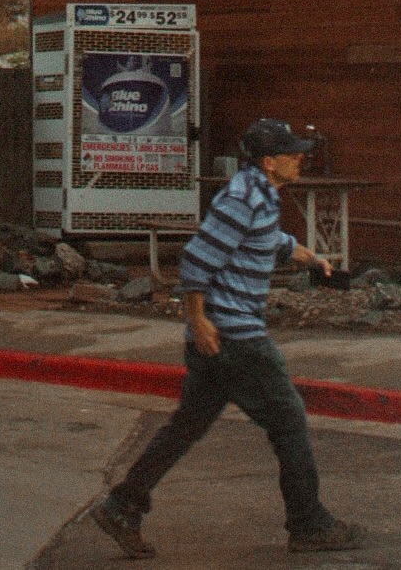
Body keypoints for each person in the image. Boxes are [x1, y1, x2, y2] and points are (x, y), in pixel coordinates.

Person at [92, 119, 366, 559]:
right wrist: (197, 321)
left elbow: (264, 239)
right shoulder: (242, 198)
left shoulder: (257, 195)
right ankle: (309, 524)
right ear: (269, 161)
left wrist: (310, 257)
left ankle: (122, 505)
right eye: (292, 153)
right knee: (289, 419)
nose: (301, 158)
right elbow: (197, 260)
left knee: (188, 425)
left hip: (219, 338)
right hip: (235, 335)